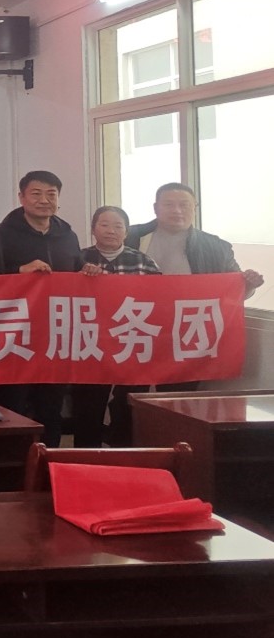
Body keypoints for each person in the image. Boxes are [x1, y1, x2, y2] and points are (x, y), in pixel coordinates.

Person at [127, 182, 264, 391]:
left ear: (195, 208)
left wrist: (249, 284)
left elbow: (234, 290)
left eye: (184, 205)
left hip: (186, 329)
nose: (177, 210)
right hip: (137, 324)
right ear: (156, 208)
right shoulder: (129, 236)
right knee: (129, 391)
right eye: (169, 204)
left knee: (177, 393)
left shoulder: (215, 246)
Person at [0, 171, 85, 448]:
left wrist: (87, 272)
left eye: (51, 194)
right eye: (36, 194)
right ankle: (14, 462)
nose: (44, 200)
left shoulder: (68, 235)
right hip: (14, 334)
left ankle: (48, 461)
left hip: (55, 333)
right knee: (13, 403)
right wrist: (19, 271)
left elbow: (75, 271)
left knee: (51, 405)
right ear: (21, 197)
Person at [74, 205, 161, 447]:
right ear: (93, 229)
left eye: (118, 226)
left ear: (126, 231)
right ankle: (85, 456)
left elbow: (163, 299)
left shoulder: (142, 261)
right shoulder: (78, 258)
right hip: (90, 343)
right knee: (88, 405)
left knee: (129, 404)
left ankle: (123, 453)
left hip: (131, 341)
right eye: (104, 225)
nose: (111, 231)